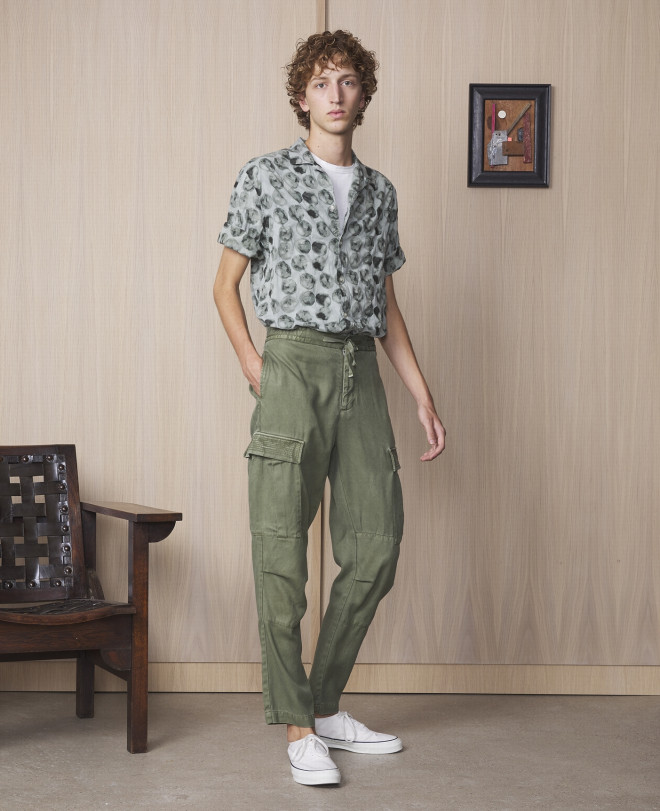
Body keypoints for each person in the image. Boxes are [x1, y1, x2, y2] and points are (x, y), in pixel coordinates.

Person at [214, 29, 445, 787]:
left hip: (361, 373)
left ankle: (322, 704)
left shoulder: (380, 193)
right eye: (321, 82)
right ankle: (297, 728)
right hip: (291, 365)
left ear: (363, 94)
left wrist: (421, 394)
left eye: (347, 80)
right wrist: (256, 364)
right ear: (301, 96)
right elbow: (224, 285)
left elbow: (386, 305)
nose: (335, 94)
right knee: (281, 554)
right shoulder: (265, 177)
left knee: (376, 544)